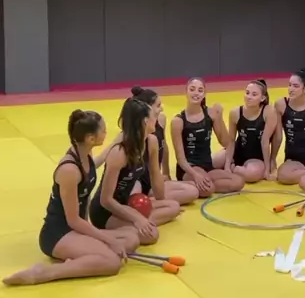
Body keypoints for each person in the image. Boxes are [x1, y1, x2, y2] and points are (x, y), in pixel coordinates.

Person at [3, 110, 140, 287]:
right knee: (112, 262)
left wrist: (115, 143)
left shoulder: (85, 154)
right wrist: (108, 240)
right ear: (91, 138)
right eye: (103, 130)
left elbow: (94, 166)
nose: (106, 133)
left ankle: (82, 257)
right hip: (59, 233)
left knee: (131, 238)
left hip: (77, 229)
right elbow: (73, 220)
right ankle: (42, 273)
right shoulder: (69, 170)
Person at [89, 97, 181, 243]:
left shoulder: (151, 142)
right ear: (145, 121)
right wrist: (137, 218)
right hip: (106, 211)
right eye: (153, 116)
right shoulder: (119, 153)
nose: (156, 119)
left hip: (127, 204)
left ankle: (133, 226)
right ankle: (106, 233)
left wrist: (157, 202)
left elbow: (156, 182)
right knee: (151, 235)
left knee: (173, 206)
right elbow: (106, 200)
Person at [97, 87, 198, 205]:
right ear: (147, 110)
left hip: (152, 178)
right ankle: (147, 203)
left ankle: (151, 201)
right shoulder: (128, 134)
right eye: (158, 105)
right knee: (133, 200)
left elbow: (163, 146)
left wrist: (166, 173)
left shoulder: (160, 120)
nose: (162, 108)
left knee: (193, 189)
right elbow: (106, 154)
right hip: (138, 179)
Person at [171, 77, 245, 197]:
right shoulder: (178, 121)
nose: (196, 93)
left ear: (204, 94)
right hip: (189, 167)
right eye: (192, 89)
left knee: (239, 181)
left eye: (200, 90)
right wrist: (195, 174)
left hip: (207, 166)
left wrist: (219, 117)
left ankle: (203, 183)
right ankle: (193, 183)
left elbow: (226, 142)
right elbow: (180, 159)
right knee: (208, 189)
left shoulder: (210, 114)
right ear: (186, 92)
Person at [224, 79, 277, 182]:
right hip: (237, 152)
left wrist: (267, 169)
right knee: (212, 163)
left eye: (254, 94)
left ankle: (235, 169)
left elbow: (265, 141)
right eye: (247, 93)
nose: (249, 97)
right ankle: (233, 167)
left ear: (262, 98)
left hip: (256, 158)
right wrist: (227, 165)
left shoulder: (268, 112)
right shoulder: (235, 113)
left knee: (251, 175)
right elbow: (231, 141)